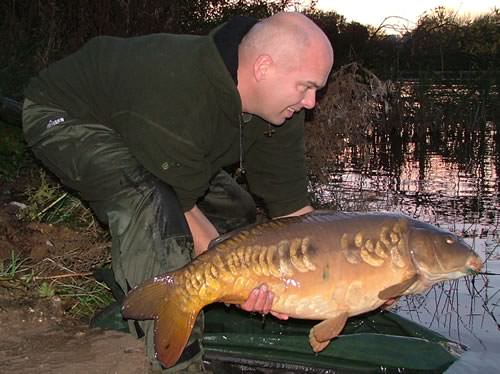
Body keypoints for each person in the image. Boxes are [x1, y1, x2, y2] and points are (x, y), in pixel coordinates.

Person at [22, 11, 334, 373]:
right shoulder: (181, 92)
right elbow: (194, 224)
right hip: (68, 114)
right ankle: (176, 359)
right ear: (263, 68)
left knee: (237, 212)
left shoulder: (283, 110)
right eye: (306, 86)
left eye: (317, 90)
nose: (312, 103)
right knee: (154, 212)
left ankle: (141, 277)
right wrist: (242, 284)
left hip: (156, 138)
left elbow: (295, 215)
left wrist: (342, 275)